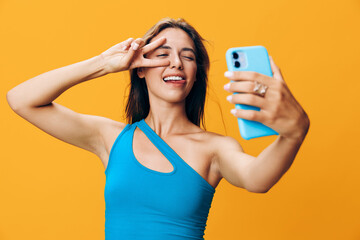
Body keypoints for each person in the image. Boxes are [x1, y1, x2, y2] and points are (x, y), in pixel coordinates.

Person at [6, 18, 310, 239]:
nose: (176, 63)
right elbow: (21, 100)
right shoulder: (111, 139)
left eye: (187, 57)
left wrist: (294, 132)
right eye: (163, 54)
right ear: (139, 68)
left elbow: (257, 178)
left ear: (195, 75)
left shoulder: (216, 149)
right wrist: (104, 63)